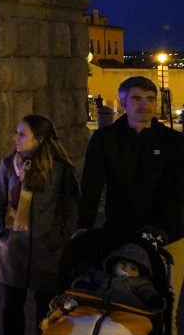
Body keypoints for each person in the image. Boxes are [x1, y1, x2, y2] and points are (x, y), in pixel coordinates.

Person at [0, 114, 79, 335]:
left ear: (38, 140)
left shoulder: (61, 170)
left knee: (45, 310)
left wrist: (62, 239)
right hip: (13, 248)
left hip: (46, 249)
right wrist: (0, 235)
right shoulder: (8, 166)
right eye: (16, 133)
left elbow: (72, 208)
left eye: (21, 134)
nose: (15, 138)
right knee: (11, 307)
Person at [78, 76, 184, 242]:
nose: (145, 105)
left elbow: (176, 191)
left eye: (150, 99)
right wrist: (84, 226)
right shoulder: (105, 139)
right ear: (123, 103)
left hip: (164, 231)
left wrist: (158, 232)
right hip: (120, 227)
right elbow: (91, 185)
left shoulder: (173, 141)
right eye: (136, 99)